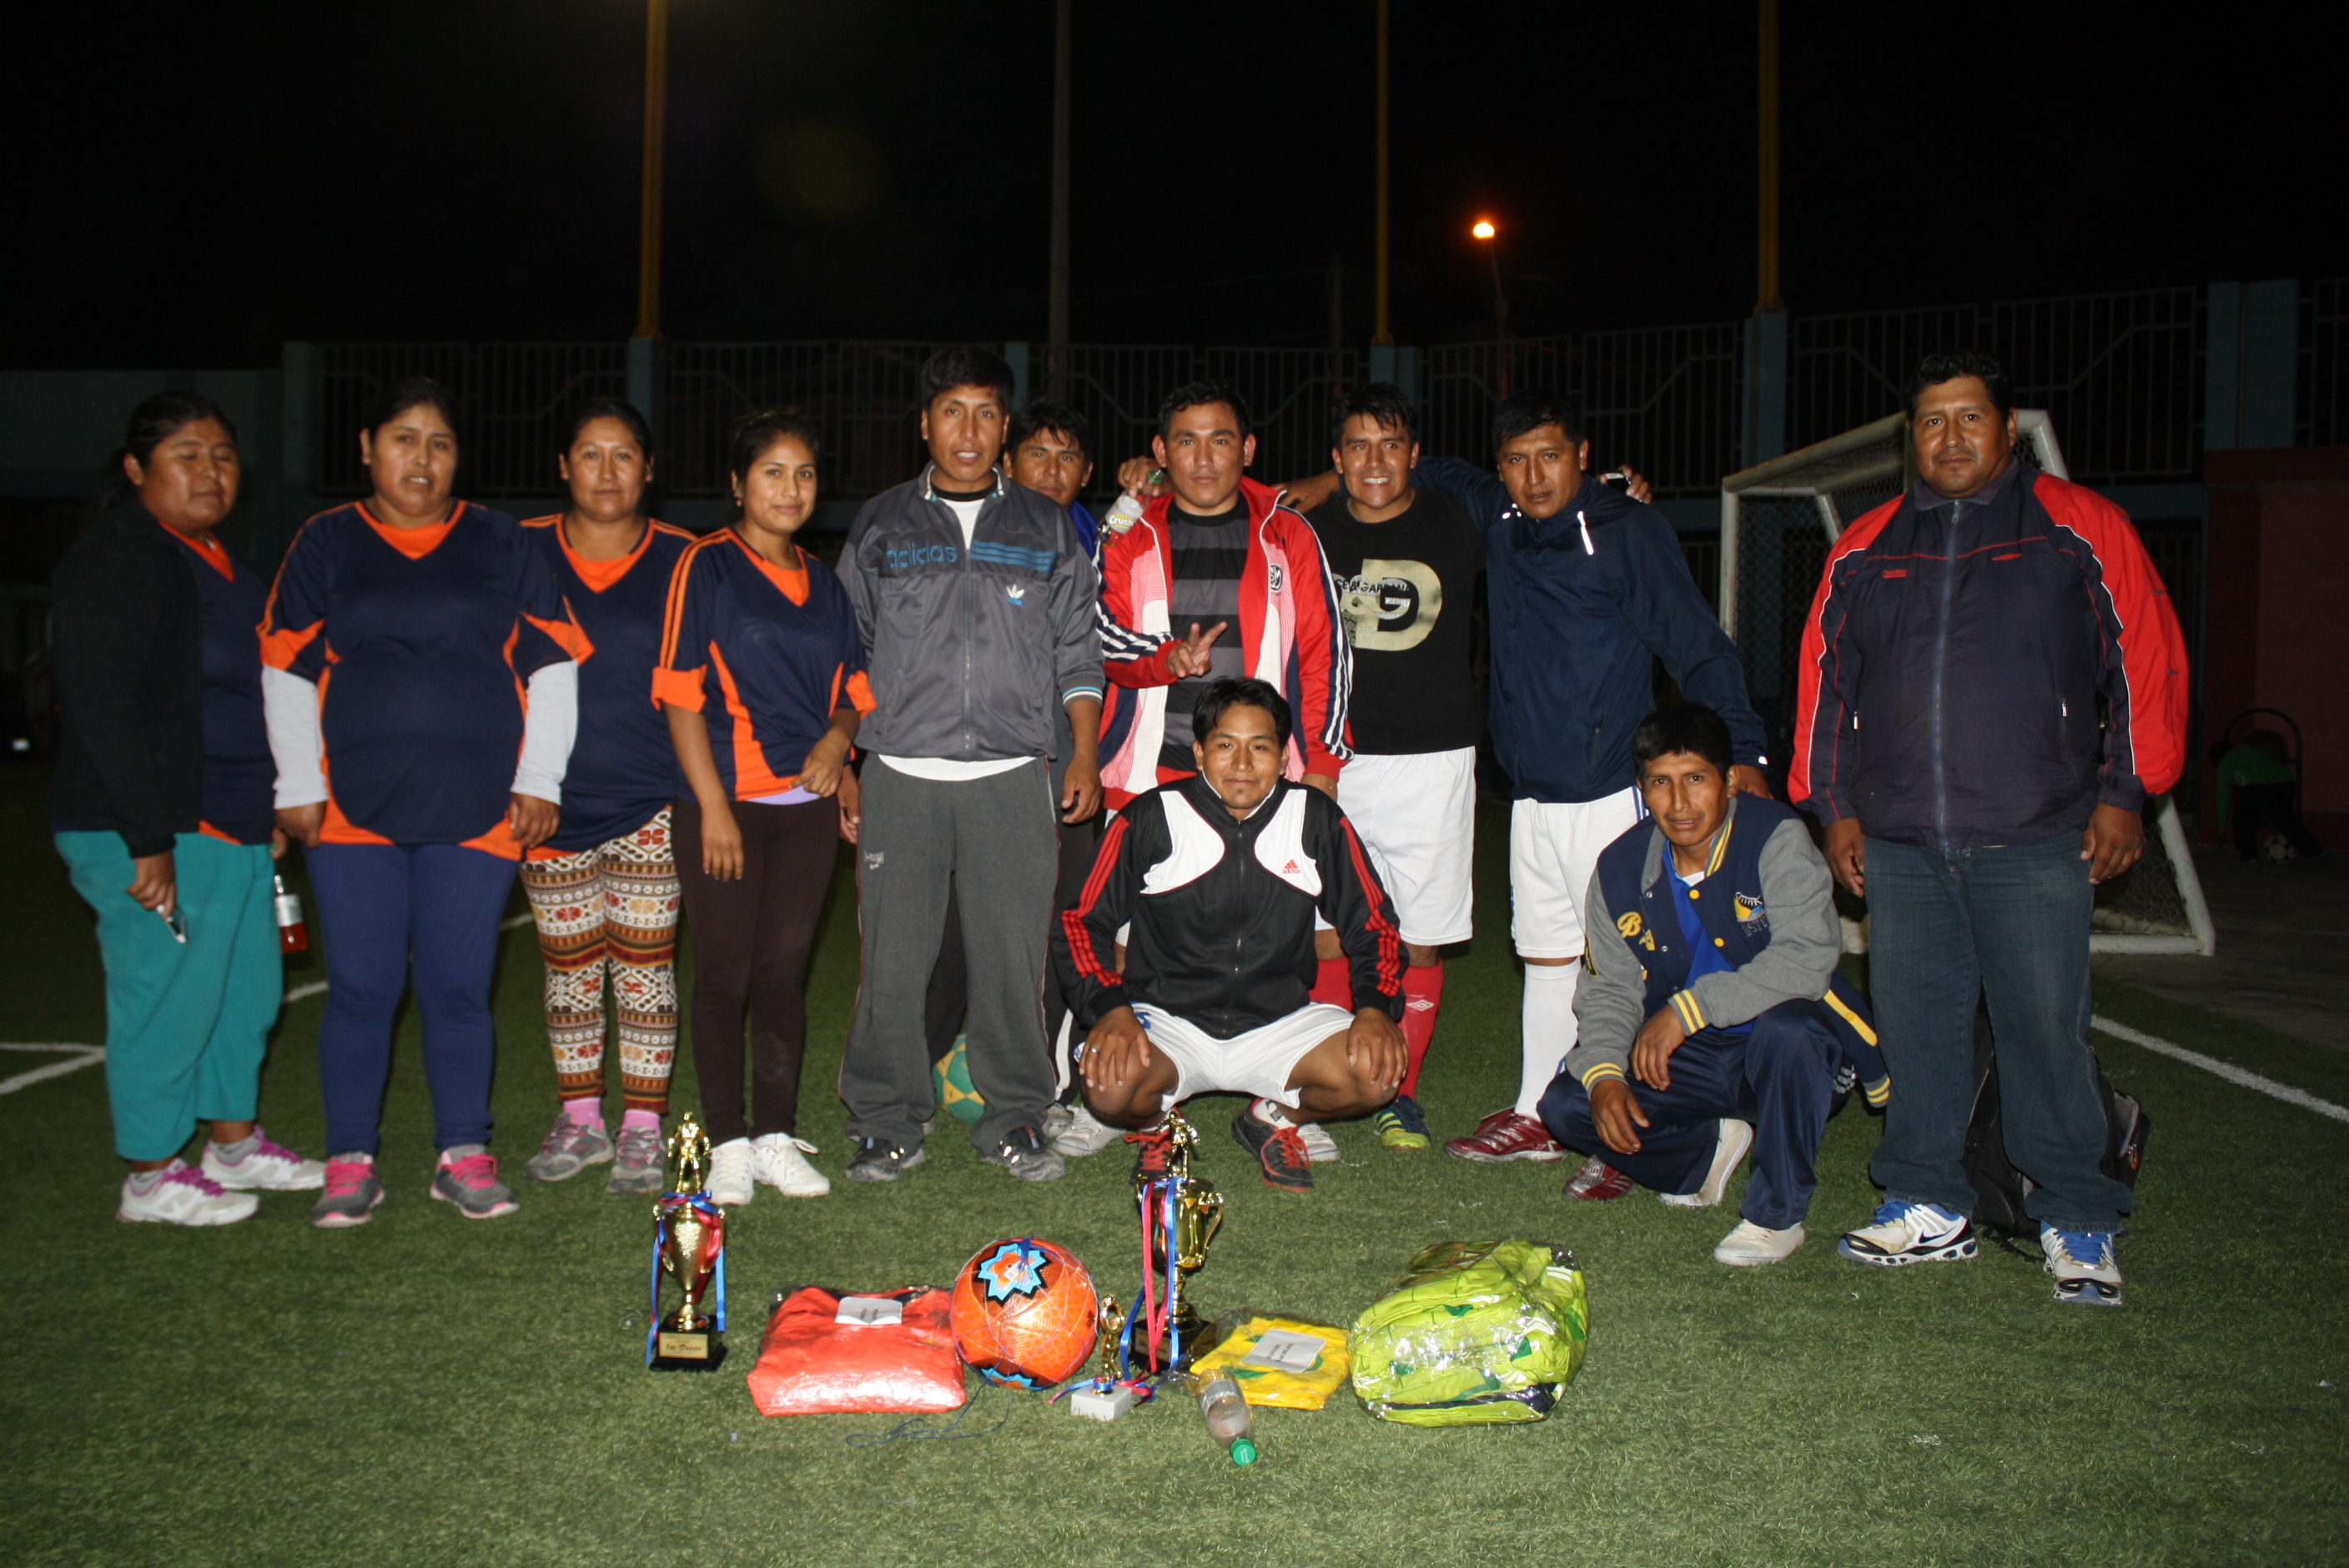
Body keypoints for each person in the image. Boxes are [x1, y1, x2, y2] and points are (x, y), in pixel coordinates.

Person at [1792, 351, 2188, 1306]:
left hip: (2033, 832)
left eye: (1969, 417)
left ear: (2007, 429)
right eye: (1931, 420)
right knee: (1916, 1028)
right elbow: (1823, 686)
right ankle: (1928, 1199)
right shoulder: (1866, 546)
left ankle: (2076, 1212)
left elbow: (2143, 657)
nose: (1950, 436)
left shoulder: (2076, 525)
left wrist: (2125, 791)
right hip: (1900, 842)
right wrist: (1833, 808)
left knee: (2042, 1028)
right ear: (1911, 437)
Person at [1296, 390, 1770, 1168]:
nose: (1534, 475)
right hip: (1531, 792)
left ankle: (1662, 1126)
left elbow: (1697, 645)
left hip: (1610, 790)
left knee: (1631, 961)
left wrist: (1744, 752)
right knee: (1548, 957)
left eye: (1550, 456)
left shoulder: (1625, 529)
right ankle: (1538, 1114)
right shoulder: (1501, 515)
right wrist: (1323, 481)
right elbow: (1430, 467)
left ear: (1582, 456)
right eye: (1516, 460)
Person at [263, 377, 589, 1227]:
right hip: (352, 808)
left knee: (457, 987)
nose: (422, 458)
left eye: (439, 442)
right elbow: (285, 665)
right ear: (367, 448)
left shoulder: (499, 541)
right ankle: (349, 1158)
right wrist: (297, 783)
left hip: (477, 806)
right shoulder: (327, 541)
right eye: (403, 439)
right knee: (361, 988)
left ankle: (463, 1152)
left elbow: (553, 665)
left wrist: (538, 779)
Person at [51, 392, 324, 1224]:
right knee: (167, 999)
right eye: (187, 455)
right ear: (137, 468)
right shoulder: (122, 556)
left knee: (244, 995)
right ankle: (149, 1170)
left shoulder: (223, 566)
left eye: (223, 457)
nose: (210, 472)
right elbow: (102, 704)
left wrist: (268, 803)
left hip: (230, 821)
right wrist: (147, 836)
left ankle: (233, 1144)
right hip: (157, 824)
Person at [834, 348, 1104, 1184]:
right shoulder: (882, 523)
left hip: (1013, 774)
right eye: (952, 411)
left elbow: (1077, 650)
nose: (969, 430)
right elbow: (846, 653)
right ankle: (885, 1120)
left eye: (986, 413)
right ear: (925, 423)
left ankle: (1016, 1115)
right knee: (892, 962)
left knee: (1012, 961)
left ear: (1003, 427)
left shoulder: (1043, 525)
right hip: (900, 773)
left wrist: (1082, 750)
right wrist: (849, 762)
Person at [1537, 706, 1889, 1264]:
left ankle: (1776, 1217)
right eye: (1660, 783)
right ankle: (1703, 1155)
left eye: (1696, 779)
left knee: (1789, 1030)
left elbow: (1808, 956)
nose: (1679, 803)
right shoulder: (1620, 867)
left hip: (1784, 1053)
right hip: (1692, 1057)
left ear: (1728, 782)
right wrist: (1604, 1074)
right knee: (1567, 1106)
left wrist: (1687, 1011)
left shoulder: (1774, 837)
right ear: (1642, 790)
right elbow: (1609, 988)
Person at [1056, 677, 1406, 1192]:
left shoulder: (1315, 818)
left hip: (1279, 1021)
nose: (1242, 763)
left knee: (1375, 1075)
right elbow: (1080, 921)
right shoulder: (1152, 817)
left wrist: (1376, 1007)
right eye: (1225, 745)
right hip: (1169, 1022)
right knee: (1111, 1089)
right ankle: (1158, 1128)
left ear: (1283, 757)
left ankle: (1274, 1117)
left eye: (1260, 747)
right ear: (1199, 752)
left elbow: (1374, 924)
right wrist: (1109, 1009)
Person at [657, 410, 869, 1204]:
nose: (791, 488)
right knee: (724, 977)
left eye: (804, 474)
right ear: (739, 484)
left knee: (783, 974)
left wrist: (839, 745)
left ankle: (775, 1135)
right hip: (725, 807)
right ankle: (727, 1142)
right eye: (773, 472)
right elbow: (680, 695)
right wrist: (713, 806)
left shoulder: (825, 582)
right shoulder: (706, 565)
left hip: (805, 809)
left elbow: (852, 690)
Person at [1298, 384, 1483, 1153]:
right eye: (1358, 447)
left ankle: (1398, 1094)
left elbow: (1535, 498)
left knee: (1420, 937)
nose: (1375, 461)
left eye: (1392, 445)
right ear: (1337, 458)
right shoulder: (1305, 529)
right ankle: (1331, 1081)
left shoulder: (1459, 519)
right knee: (1326, 934)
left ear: (1416, 455)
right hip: (1331, 757)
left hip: (1434, 758)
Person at [516, 401, 695, 1194]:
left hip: (650, 800)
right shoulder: (518, 549)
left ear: (649, 469)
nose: (608, 471)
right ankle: (581, 1119)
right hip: (546, 804)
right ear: (564, 466)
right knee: (569, 971)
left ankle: (642, 1129)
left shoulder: (683, 558)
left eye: (625, 455)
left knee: (645, 968)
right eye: (590, 454)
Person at [922, 400, 1109, 1145]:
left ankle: (1049, 1080)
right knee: (948, 923)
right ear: (1007, 460)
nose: (1053, 471)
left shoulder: (1102, 538)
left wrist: (1084, 753)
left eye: (1069, 458)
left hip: (1064, 758)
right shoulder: (961, 531)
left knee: (1060, 921)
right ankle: (919, 1065)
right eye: (1038, 454)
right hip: (961, 761)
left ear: (1087, 473)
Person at [2212, 731, 2321, 863]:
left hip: (2258, 786)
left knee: (2243, 820)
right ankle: (2315, 852)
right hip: (2286, 783)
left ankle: (2250, 856)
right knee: (2286, 820)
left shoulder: (2225, 762)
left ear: (2217, 760)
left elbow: (2223, 795)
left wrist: (2222, 824)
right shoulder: (2253, 751)